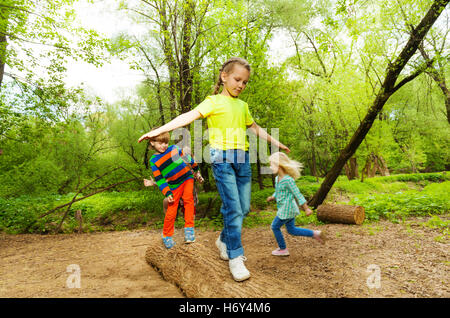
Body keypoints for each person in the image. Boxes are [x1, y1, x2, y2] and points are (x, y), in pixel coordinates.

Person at [138, 57, 290, 282]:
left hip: (243, 159)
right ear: (224, 77)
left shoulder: (243, 105)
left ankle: (223, 239)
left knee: (243, 208)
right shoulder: (213, 102)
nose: (241, 85)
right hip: (222, 159)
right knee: (234, 208)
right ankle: (235, 257)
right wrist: (158, 130)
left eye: (245, 82)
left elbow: (254, 127)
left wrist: (275, 142)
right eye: (238, 79)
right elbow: (187, 116)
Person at [146, 130, 203, 249]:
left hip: (187, 178)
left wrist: (195, 167)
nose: (164, 145)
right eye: (160, 143)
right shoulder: (153, 161)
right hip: (173, 185)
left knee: (188, 200)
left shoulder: (174, 148)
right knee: (172, 209)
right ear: (152, 143)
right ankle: (166, 235)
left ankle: (189, 230)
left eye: (165, 142)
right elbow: (160, 179)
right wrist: (167, 192)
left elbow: (188, 158)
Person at [267, 152, 326, 257]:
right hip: (287, 209)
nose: (270, 167)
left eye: (271, 164)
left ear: (279, 164)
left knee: (275, 226)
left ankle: (283, 249)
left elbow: (297, 194)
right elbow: (279, 191)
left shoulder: (288, 180)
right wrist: (273, 196)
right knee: (292, 230)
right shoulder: (277, 179)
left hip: (286, 210)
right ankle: (315, 234)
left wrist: (306, 208)